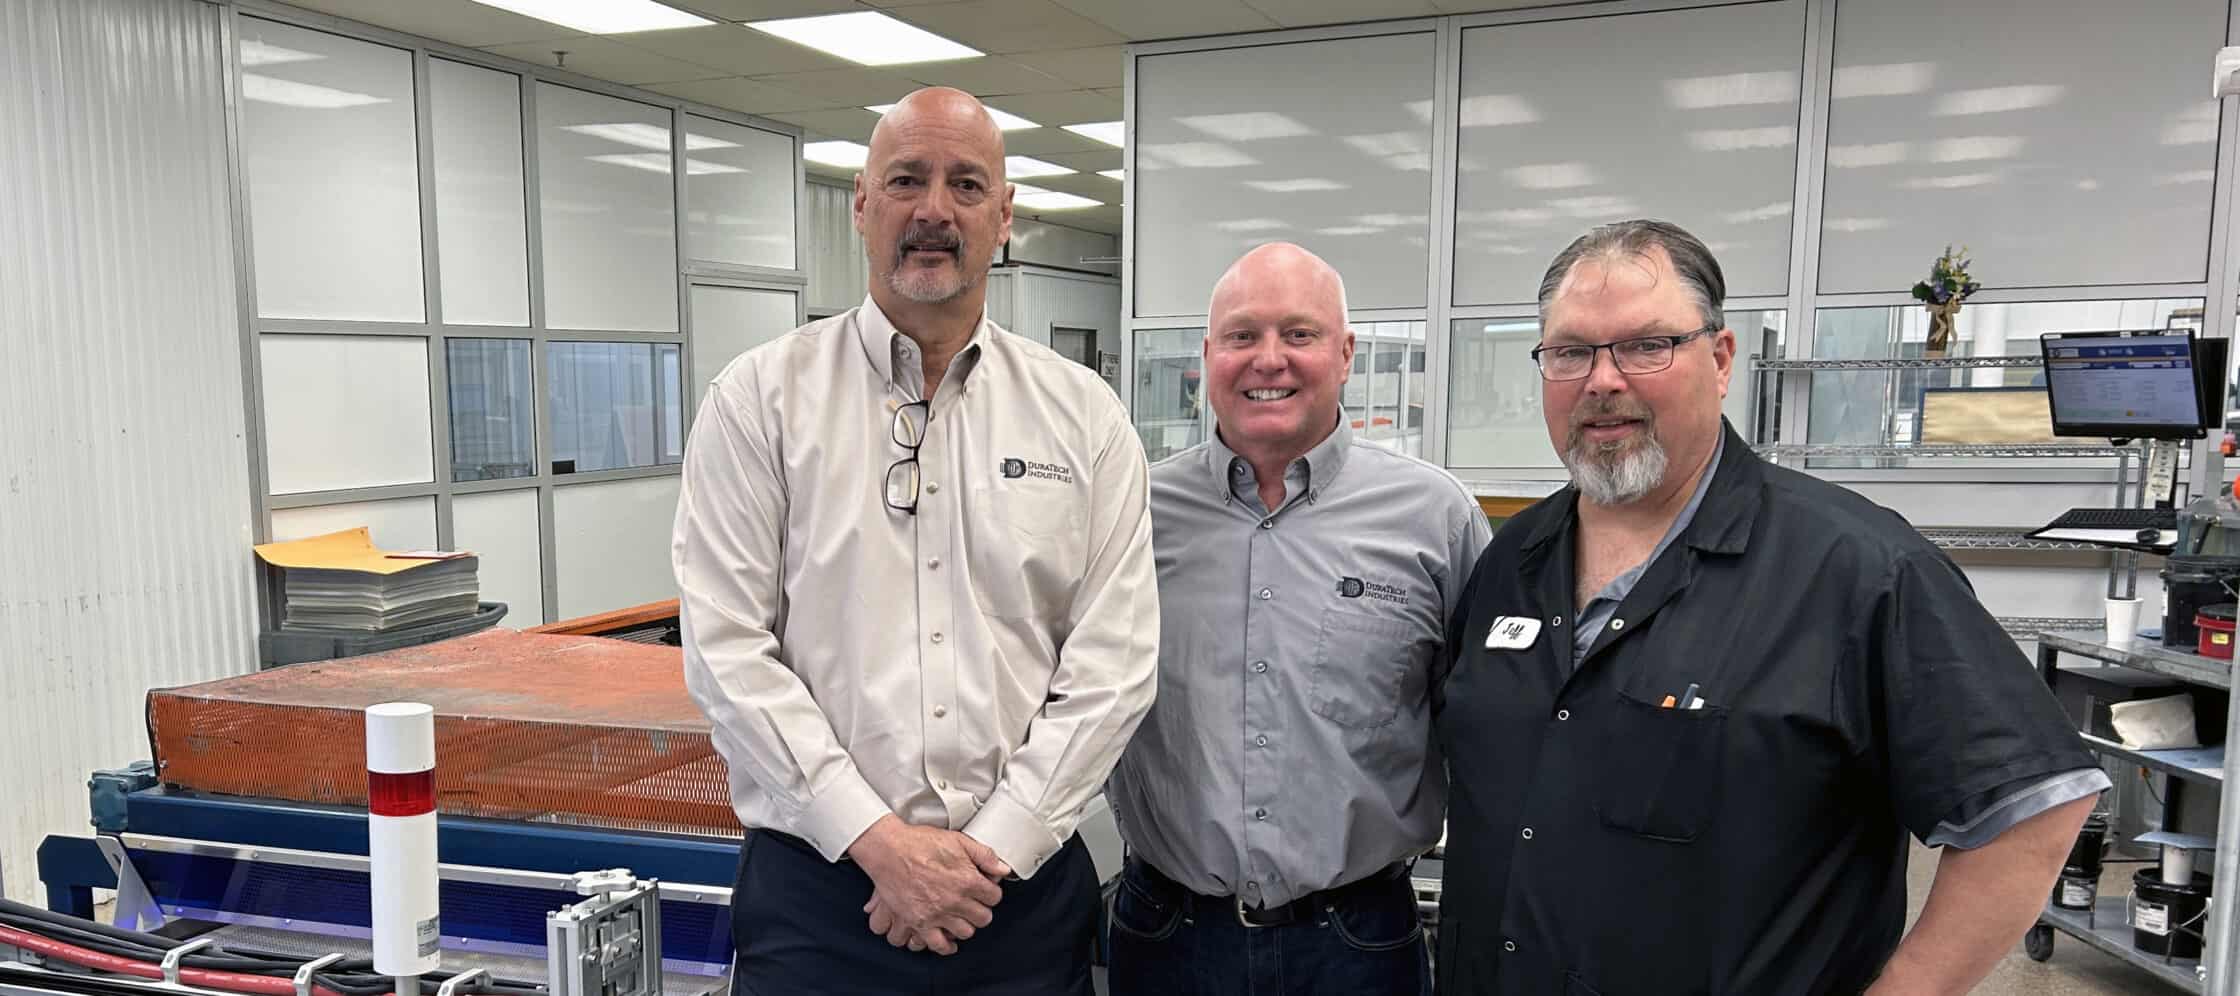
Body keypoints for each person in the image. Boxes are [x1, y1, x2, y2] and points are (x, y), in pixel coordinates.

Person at [1435, 219, 2107, 994]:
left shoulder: (1857, 570)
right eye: (1571, 351)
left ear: (1720, 361)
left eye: (1647, 345)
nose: (1603, 380)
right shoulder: (1510, 562)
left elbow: (2029, 811)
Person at [671, 86, 1159, 996]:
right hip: (819, 898)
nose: (934, 208)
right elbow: (727, 649)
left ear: (1003, 217)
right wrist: (877, 842)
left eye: (966, 184)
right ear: (862, 204)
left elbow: (1115, 664)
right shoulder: (760, 401)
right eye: (907, 179)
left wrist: (989, 848)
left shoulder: (1083, 416)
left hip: (1016, 901)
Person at [1106, 242, 1491, 995]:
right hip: (1168, 939)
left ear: (1345, 354)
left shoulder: (1435, 519)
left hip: (1357, 944)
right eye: (1242, 336)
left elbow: (1484, 734)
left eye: (1300, 334)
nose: (1268, 360)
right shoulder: (1130, 514)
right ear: (1207, 356)